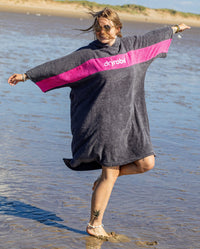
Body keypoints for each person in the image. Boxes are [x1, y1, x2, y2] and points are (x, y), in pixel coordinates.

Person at [8, 8, 190, 238]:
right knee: (111, 171)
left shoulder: (133, 47)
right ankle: (95, 224)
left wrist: (174, 29)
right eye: (97, 28)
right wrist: (26, 75)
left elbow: (154, 36)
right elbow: (59, 66)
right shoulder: (88, 55)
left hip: (131, 120)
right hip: (103, 123)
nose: (101, 32)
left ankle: (103, 180)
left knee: (146, 163)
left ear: (117, 28)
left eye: (106, 27)